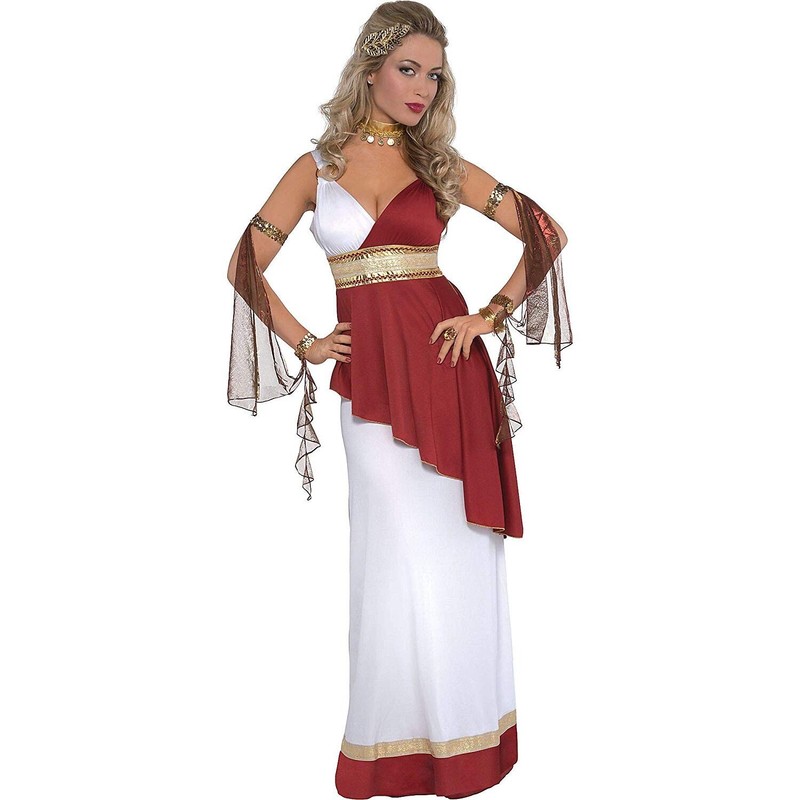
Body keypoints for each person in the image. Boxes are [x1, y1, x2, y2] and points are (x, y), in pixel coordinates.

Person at [226, 2, 572, 797]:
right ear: (370, 68)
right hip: (373, 387)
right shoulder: (317, 168)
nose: (423, 88)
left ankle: (468, 745)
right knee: (388, 558)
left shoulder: (441, 165)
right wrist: (308, 342)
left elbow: (546, 233)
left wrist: (489, 315)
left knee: (458, 556)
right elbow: (243, 262)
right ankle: (391, 749)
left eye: (435, 75)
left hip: (448, 374)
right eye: (409, 69)